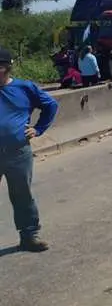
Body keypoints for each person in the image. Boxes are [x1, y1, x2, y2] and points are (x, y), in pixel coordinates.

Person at [0, 47, 58, 252]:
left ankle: (29, 235)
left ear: (6, 68)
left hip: (18, 152)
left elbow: (51, 105)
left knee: (22, 194)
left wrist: (39, 128)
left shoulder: (24, 88)